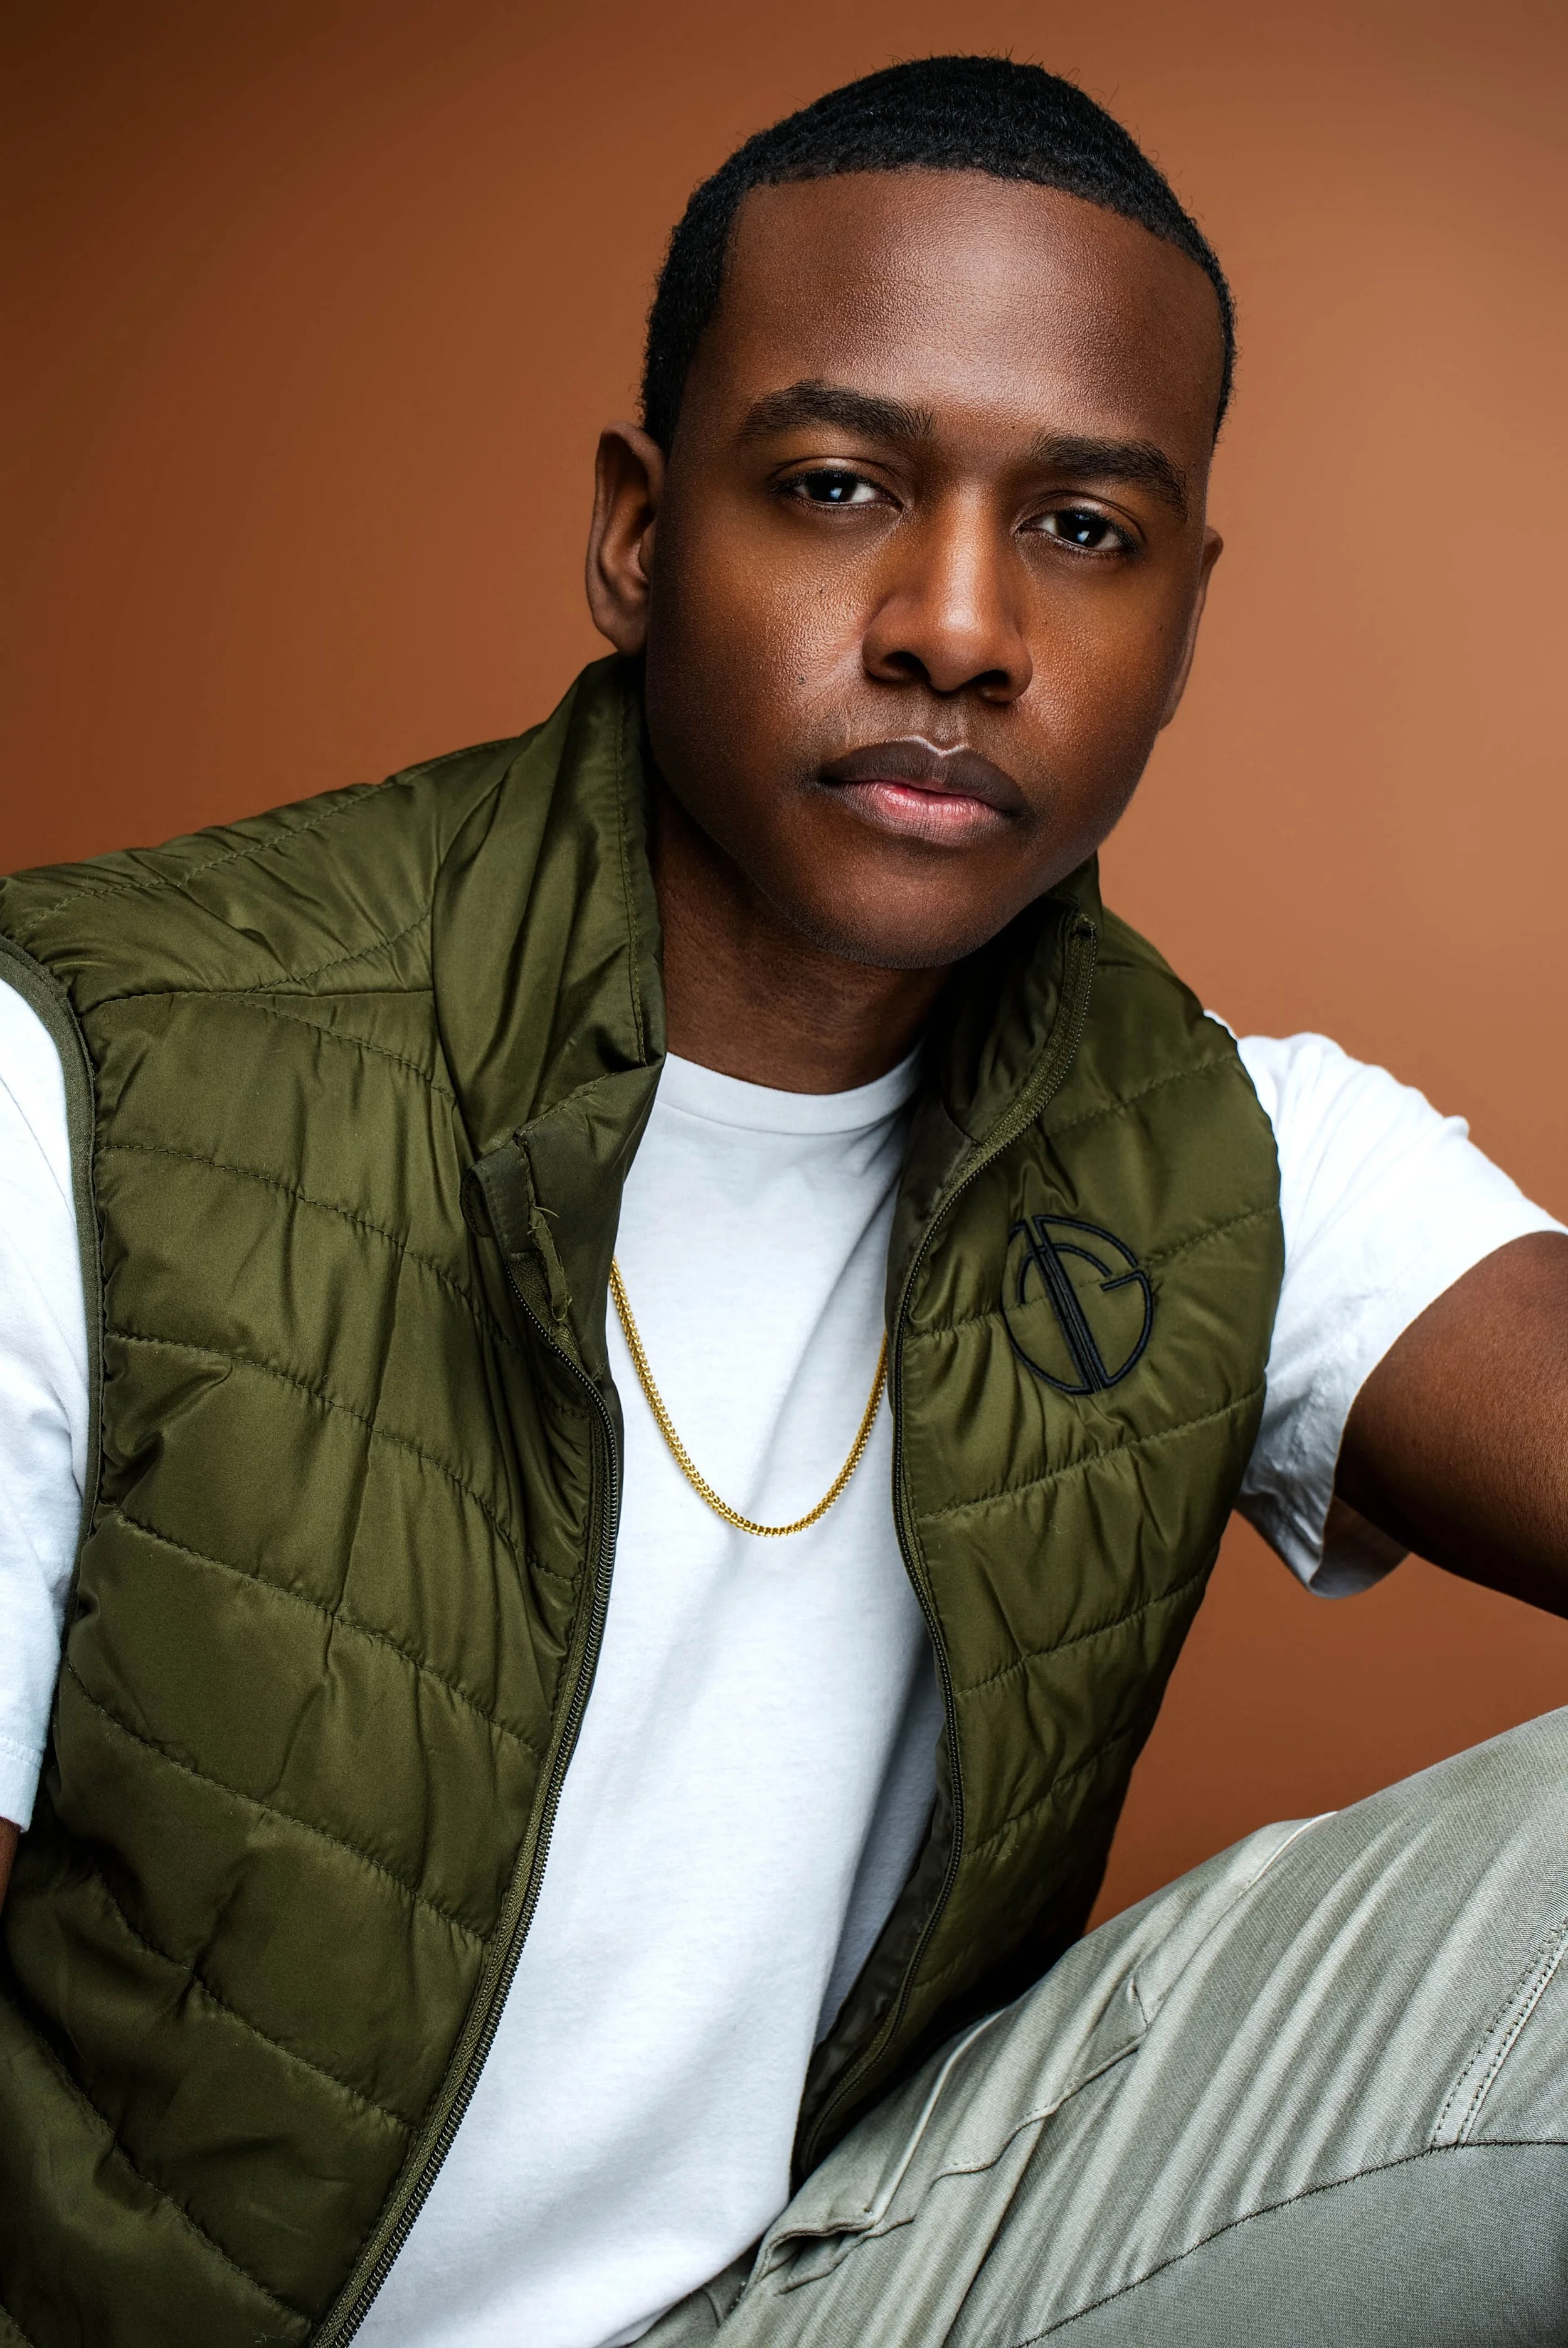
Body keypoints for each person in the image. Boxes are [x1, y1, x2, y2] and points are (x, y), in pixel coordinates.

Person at [2, 51, 1565, 2348]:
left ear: (1183, 616)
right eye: (837, 487)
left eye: (1083, 528)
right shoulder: (98, 1074)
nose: (958, 626)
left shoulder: (1226, 1159)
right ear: (641, 532)